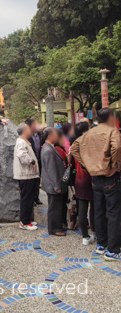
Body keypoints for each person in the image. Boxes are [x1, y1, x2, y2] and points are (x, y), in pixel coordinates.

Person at [69, 108, 121, 260]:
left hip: (95, 177)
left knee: (98, 211)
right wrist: (115, 165)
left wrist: (87, 165)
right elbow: (117, 147)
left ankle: (101, 245)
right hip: (111, 177)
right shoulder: (113, 131)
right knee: (113, 213)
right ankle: (113, 250)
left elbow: (73, 148)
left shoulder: (89, 133)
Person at [41, 127, 69, 236]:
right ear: (49, 136)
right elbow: (51, 170)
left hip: (53, 183)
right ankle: (54, 229)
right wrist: (57, 186)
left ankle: (58, 226)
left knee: (57, 206)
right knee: (54, 207)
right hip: (53, 184)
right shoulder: (48, 150)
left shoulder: (49, 147)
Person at [72, 120, 94, 245]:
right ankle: (95, 231)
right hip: (91, 179)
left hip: (79, 180)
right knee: (95, 208)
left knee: (82, 209)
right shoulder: (90, 144)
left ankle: (85, 236)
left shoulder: (75, 145)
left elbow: (71, 163)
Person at [14, 125, 40, 230]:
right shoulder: (21, 142)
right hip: (26, 175)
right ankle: (24, 222)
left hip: (28, 175)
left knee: (29, 198)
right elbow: (21, 155)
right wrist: (31, 161)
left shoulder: (23, 141)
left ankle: (27, 220)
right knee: (26, 199)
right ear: (25, 131)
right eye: (29, 129)